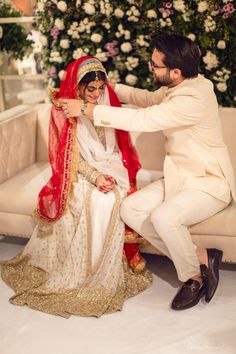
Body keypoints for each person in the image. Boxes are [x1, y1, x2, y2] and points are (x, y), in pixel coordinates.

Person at [62, 34, 236, 311]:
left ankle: (192, 276)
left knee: (164, 217)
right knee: (130, 208)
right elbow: (146, 99)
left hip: (208, 183)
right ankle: (202, 256)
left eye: (155, 66)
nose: (150, 69)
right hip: (180, 176)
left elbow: (145, 118)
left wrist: (87, 108)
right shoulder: (180, 84)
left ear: (175, 71)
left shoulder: (193, 97)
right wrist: (110, 87)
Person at [0, 56, 152, 318]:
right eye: (90, 89)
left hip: (109, 165)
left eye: (100, 88)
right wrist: (95, 177)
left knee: (119, 194)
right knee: (99, 200)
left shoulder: (104, 106)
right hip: (76, 172)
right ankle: (86, 270)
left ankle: (112, 264)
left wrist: (110, 173)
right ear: (78, 87)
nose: (96, 94)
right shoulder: (63, 109)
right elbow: (68, 157)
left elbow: (115, 149)